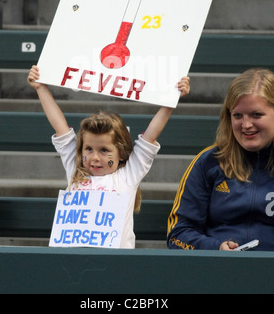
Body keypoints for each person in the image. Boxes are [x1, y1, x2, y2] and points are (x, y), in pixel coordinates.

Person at [28, 65, 190, 248]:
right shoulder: (76, 169)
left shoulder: (129, 175)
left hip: (116, 268)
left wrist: (172, 98)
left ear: (121, 153)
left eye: (104, 150)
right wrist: (41, 88)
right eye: (88, 149)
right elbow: (60, 126)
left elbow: (151, 135)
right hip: (71, 265)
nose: (95, 157)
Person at [167, 68, 274, 252]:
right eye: (238, 115)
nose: (246, 125)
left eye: (257, 115)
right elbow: (178, 234)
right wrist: (215, 249)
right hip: (218, 272)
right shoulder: (209, 162)